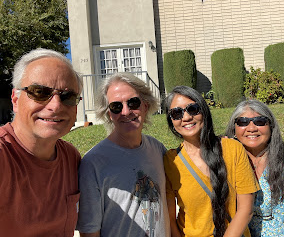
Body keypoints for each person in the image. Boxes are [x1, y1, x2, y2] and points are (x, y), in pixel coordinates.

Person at [0, 48, 83, 236]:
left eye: (67, 96)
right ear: (15, 99)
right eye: (39, 92)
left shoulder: (71, 158)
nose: (55, 106)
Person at [76, 72, 170, 237]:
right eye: (116, 106)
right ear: (109, 115)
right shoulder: (93, 164)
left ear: (145, 106)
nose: (126, 112)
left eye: (133, 103)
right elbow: (89, 232)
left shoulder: (157, 149)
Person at [164, 86, 260, 237]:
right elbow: (170, 220)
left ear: (204, 111)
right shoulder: (170, 161)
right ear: (171, 121)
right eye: (177, 113)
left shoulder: (232, 149)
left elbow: (246, 210)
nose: (186, 117)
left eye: (193, 109)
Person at [225, 99, 284, 236]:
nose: (251, 128)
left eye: (260, 121)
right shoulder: (227, 163)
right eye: (243, 122)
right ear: (234, 129)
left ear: (271, 126)